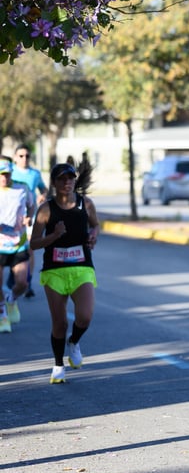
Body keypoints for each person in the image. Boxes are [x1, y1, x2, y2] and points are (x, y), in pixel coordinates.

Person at [30, 159, 100, 384]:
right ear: (54, 183)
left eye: (70, 178)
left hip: (81, 268)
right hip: (54, 271)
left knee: (85, 316)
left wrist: (93, 235)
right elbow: (34, 244)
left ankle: (74, 342)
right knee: (59, 323)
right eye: (62, 179)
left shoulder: (85, 203)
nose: (67, 182)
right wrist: (54, 236)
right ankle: (58, 364)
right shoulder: (46, 210)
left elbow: (95, 225)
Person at [0, 158, 33, 332]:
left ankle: (11, 299)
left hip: (18, 243)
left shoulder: (22, 188)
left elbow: (31, 205)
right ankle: (2, 313)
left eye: (6, 174)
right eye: (1, 175)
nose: (4, 178)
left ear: (11, 173)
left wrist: (29, 218)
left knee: (22, 283)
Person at [10, 145, 45, 298]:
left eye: (27, 156)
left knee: (29, 249)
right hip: (11, 218)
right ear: (15, 157)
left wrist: (42, 196)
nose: (24, 159)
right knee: (12, 249)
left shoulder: (35, 174)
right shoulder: (8, 171)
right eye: (21, 156)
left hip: (30, 216)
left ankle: (28, 282)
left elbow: (44, 189)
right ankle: (15, 272)